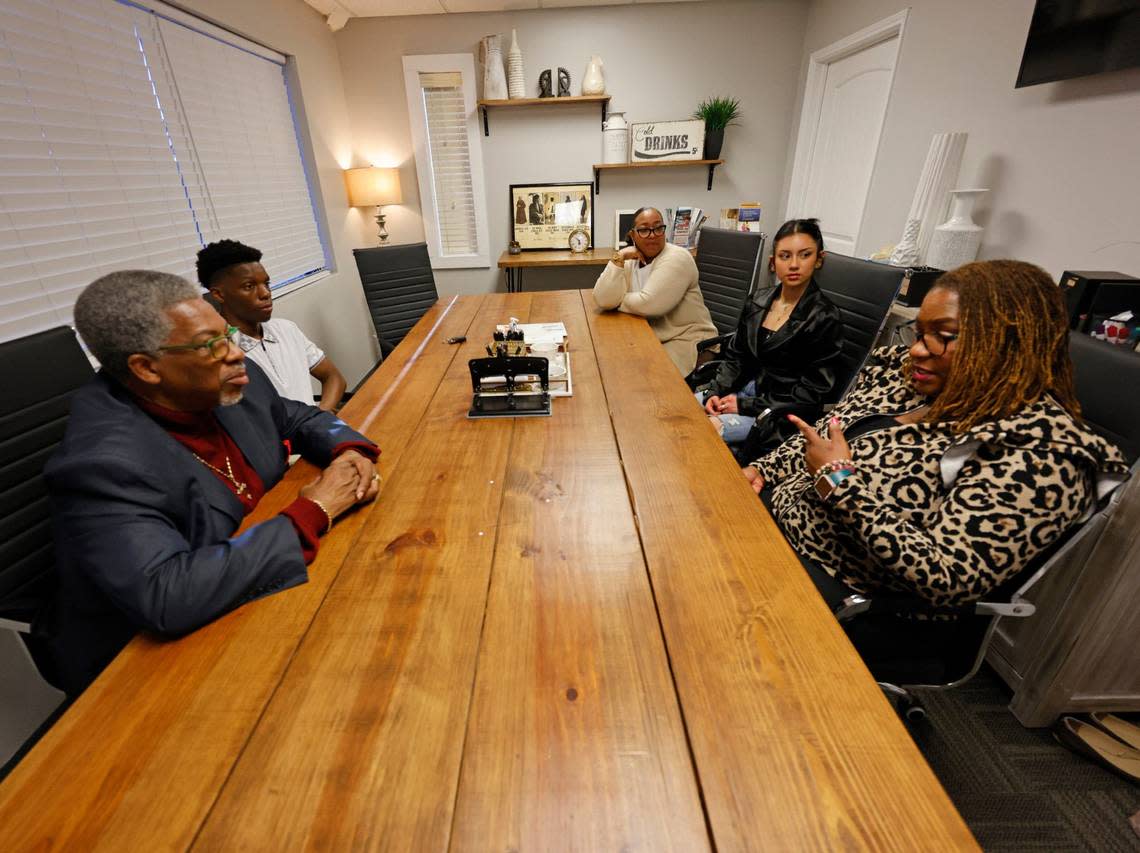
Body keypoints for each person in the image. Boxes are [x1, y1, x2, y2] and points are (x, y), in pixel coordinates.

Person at [36, 271, 382, 695]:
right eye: (211, 344)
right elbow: (168, 593)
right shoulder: (102, 464)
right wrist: (314, 510)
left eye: (228, 333)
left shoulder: (218, 377)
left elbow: (299, 416)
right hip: (152, 666)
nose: (236, 353)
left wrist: (349, 451)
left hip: (258, 582)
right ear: (146, 368)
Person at [743, 260, 1128, 611]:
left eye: (943, 335)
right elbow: (825, 437)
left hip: (834, 586)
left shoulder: (1042, 453)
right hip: (773, 527)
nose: (917, 351)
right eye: (920, 332)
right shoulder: (913, 381)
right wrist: (762, 470)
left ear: (1008, 343)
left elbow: (948, 576)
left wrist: (838, 480)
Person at [698, 218, 843, 459]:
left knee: (698, 432)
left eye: (804, 255)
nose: (794, 264)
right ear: (772, 263)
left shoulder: (824, 318)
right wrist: (715, 391)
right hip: (739, 394)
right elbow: (736, 356)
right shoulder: (758, 300)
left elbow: (810, 395)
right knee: (678, 411)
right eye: (785, 256)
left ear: (819, 259)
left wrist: (745, 406)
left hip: (776, 414)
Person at [197, 240, 346, 411]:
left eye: (266, 284)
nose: (265, 293)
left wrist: (320, 418)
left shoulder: (287, 329)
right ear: (218, 294)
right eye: (249, 286)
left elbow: (333, 377)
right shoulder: (221, 353)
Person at [592, 206, 717, 375]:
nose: (652, 235)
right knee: (608, 364)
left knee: (641, 378)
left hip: (687, 340)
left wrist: (618, 301)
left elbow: (650, 304)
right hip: (650, 335)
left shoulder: (677, 257)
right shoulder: (631, 259)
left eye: (658, 228)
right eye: (644, 230)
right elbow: (603, 299)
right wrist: (619, 257)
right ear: (633, 235)